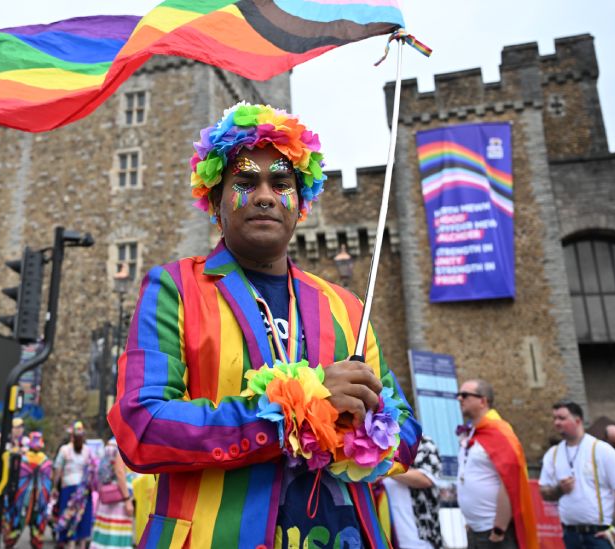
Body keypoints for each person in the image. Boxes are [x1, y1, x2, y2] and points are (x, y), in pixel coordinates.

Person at [108, 103, 420, 549]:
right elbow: (142, 428)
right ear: (216, 201)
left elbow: (405, 431)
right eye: (245, 182)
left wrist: (363, 428)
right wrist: (297, 413)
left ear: (301, 202)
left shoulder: (347, 306)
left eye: (281, 182)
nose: (265, 195)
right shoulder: (175, 288)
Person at [539, 401, 615, 549]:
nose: (557, 422)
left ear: (577, 421)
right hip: (570, 534)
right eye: (554, 418)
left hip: (600, 534)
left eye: (562, 418)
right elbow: (544, 493)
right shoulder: (553, 454)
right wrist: (560, 489)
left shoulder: (601, 449)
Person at [456, 379, 538, 548]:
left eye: (465, 395)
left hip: (494, 532)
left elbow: (509, 481)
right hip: (475, 530)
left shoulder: (500, 432)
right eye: (459, 395)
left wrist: (499, 528)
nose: (459, 399)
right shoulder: (474, 433)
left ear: (483, 401)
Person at [382, 435, 444, 548]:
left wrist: (384, 469)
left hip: (419, 539)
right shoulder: (380, 443)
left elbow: (426, 479)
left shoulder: (423, 442)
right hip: (386, 538)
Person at [3, 431, 53, 549]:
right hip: (26, 500)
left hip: (33, 500)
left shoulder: (36, 460)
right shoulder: (41, 461)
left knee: (23, 526)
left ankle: (11, 542)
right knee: (21, 525)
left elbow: (47, 481)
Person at [53, 421, 97, 549]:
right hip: (83, 490)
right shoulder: (88, 451)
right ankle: (82, 545)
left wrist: (55, 487)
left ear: (71, 436)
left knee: (69, 518)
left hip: (68, 488)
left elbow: (58, 469)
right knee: (83, 519)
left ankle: (70, 545)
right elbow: (92, 469)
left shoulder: (64, 450)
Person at [91, 438, 134, 549]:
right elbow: (119, 471)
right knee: (115, 537)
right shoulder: (122, 443)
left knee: (104, 535)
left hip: (107, 495)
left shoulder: (110, 442)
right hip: (119, 499)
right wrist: (127, 500)